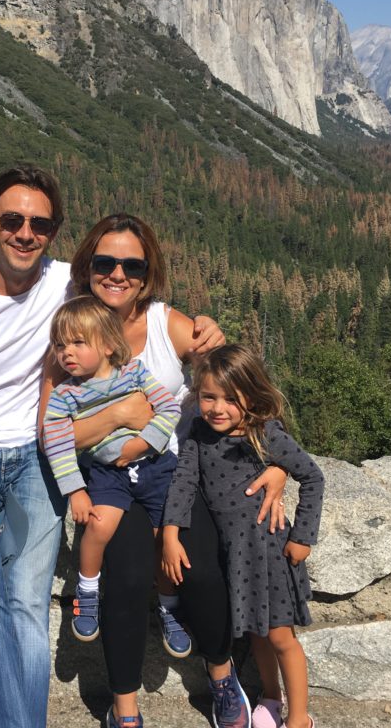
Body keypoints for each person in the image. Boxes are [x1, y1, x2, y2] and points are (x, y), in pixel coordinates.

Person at [0, 168, 222, 728]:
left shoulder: (69, 287)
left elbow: (160, 324)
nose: (25, 233)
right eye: (12, 220)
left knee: (28, 603)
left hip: (38, 464)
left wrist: (206, 327)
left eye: (39, 223)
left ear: (52, 234)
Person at [61, 214, 290, 728]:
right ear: (87, 267)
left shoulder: (171, 325)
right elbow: (51, 432)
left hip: (180, 475)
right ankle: (125, 709)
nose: (117, 274)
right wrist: (120, 415)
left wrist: (275, 461)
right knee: (127, 574)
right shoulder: (74, 334)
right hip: (112, 478)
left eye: (132, 265)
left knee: (202, 570)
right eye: (105, 262)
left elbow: (243, 386)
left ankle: (221, 678)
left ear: (148, 272)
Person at [162, 344, 324, 728]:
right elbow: (184, 482)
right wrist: (170, 534)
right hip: (233, 555)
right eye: (208, 397)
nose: (218, 408)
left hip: (268, 551)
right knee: (256, 636)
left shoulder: (265, 434)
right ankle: (271, 698)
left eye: (231, 399)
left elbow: (313, 476)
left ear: (252, 395)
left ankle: (300, 718)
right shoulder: (200, 435)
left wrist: (303, 537)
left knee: (281, 637)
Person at [42, 296, 184, 647]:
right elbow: (58, 443)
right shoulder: (64, 396)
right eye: (60, 345)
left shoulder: (134, 372)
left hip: (156, 465)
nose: (66, 353)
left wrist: (143, 443)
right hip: (107, 473)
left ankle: (170, 607)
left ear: (107, 345)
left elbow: (168, 408)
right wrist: (75, 490)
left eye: (77, 342)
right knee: (99, 525)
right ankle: (87, 591)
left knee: (160, 537)